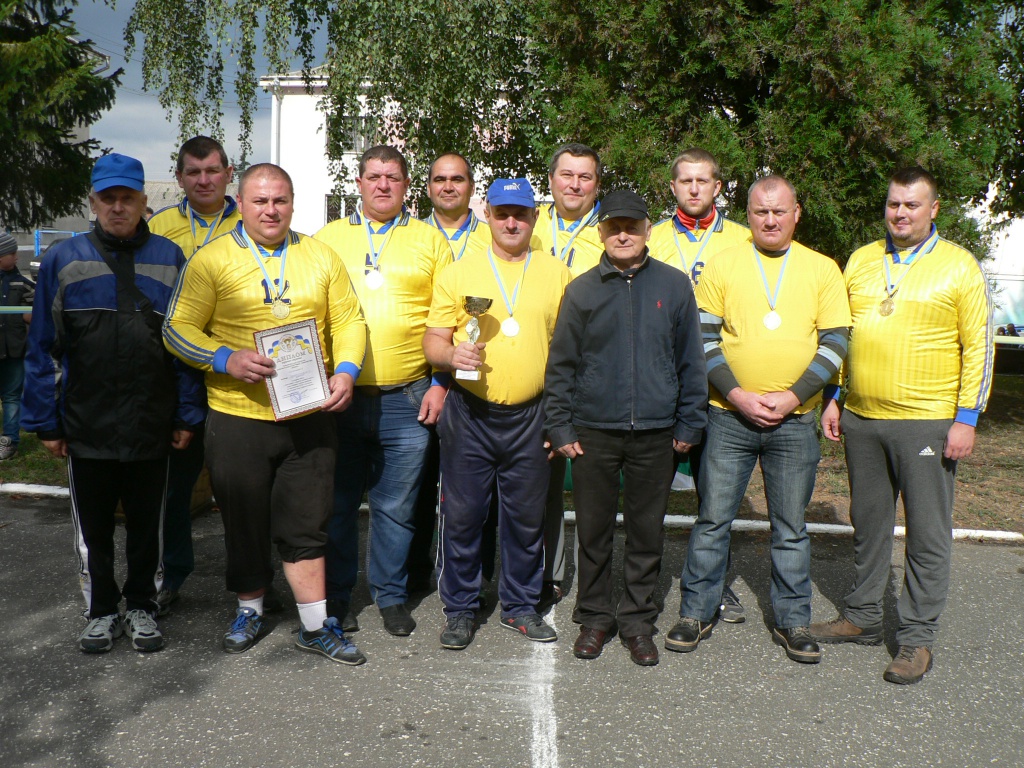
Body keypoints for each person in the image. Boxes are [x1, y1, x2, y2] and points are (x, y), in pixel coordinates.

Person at [164, 163, 368, 664]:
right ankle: (250, 610)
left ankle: (315, 626)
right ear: (242, 202)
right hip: (238, 416)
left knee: (307, 522)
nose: (271, 210)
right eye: (260, 201)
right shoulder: (211, 259)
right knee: (245, 521)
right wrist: (224, 359)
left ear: (292, 203)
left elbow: (349, 320)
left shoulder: (319, 255)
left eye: (280, 200)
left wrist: (346, 371)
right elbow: (176, 327)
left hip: (309, 414)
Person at [811, 167, 994, 685]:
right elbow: (843, 334)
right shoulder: (862, 260)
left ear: (933, 209)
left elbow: (980, 345)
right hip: (863, 418)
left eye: (912, 205)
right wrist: (834, 396)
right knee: (868, 525)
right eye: (893, 203)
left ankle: (916, 638)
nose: (900, 213)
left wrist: (966, 418)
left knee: (926, 533)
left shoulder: (959, 266)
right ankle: (863, 617)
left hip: (927, 422)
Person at [22, 153, 203, 653]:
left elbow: (185, 346)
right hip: (88, 422)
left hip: (152, 421)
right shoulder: (64, 259)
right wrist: (46, 422)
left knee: (149, 527)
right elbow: (43, 346)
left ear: (144, 202)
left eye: (127, 198)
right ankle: (100, 610)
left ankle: (143, 605)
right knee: (94, 531)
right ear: (93, 202)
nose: (118, 207)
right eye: (108, 198)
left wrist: (186, 413)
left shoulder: (170, 258)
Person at [668, 175, 851, 664]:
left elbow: (836, 342)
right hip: (728, 417)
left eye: (778, 211)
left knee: (790, 527)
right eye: (759, 211)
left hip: (795, 421)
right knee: (713, 520)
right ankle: (696, 612)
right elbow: (703, 339)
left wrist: (794, 396)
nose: (769, 220)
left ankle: (793, 621)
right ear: (747, 215)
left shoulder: (822, 268)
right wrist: (736, 394)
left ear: (796, 214)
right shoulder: (723, 264)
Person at [544, 190, 707, 666]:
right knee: (593, 532)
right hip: (593, 430)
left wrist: (689, 421)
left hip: (656, 431)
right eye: (613, 226)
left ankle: (637, 621)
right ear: (600, 232)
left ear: (647, 230)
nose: (622, 234)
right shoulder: (581, 290)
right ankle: (594, 618)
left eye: (631, 227)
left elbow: (691, 360)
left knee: (645, 533)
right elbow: (562, 365)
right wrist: (560, 426)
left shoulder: (674, 286)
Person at [424, 177, 571, 650]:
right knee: (463, 517)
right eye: (502, 213)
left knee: (526, 519)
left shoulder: (557, 273)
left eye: (520, 214)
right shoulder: (458, 272)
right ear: (486, 214)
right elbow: (433, 340)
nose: (511, 222)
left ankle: (521, 606)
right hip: (470, 413)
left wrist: (561, 416)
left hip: (532, 415)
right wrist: (451, 357)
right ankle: (460, 609)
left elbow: (571, 350)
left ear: (534, 217)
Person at [313, 145, 450, 638]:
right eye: (374, 176)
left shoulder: (430, 240)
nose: (383, 185)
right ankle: (338, 595)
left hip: (407, 396)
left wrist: (440, 383)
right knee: (339, 504)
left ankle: (390, 596)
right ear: (359, 182)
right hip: (341, 399)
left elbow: (448, 316)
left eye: (393, 177)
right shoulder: (328, 238)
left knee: (397, 507)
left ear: (407, 185)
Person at [649, 147, 752, 622]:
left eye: (702, 180)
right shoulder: (652, 236)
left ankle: (715, 584)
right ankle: (645, 582)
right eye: (685, 181)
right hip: (662, 381)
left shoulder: (744, 238)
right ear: (673, 186)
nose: (694, 188)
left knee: (716, 499)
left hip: (719, 384)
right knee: (651, 494)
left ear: (717, 187)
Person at [148, 135, 242, 616]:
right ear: (180, 177)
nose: (204, 180)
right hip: (175, 376)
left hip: (239, 376)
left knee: (244, 490)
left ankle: (252, 582)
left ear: (229, 173)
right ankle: (170, 576)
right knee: (173, 489)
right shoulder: (158, 229)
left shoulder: (253, 223)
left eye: (212, 170)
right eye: (193, 172)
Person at [406, 152, 494, 593]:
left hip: (480, 374)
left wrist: (446, 381)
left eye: (457, 179)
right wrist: (436, 379)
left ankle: (479, 573)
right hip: (416, 374)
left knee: (476, 487)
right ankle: (415, 571)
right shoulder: (410, 237)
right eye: (439, 179)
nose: (448, 186)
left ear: (471, 187)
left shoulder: (493, 237)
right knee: (420, 482)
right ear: (427, 187)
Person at [531, 142, 605, 607]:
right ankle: (547, 572)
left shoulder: (610, 230)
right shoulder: (528, 224)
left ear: (596, 184)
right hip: (539, 372)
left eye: (585, 177)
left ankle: (597, 585)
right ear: (552, 180)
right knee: (542, 483)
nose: (575, 185)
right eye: (567, 175)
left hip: (594, 375)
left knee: (595, 487)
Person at [0, 232, 33, 461]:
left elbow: (32, 314)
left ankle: (9, 441)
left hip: (14, 350)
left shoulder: (24, 284)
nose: (16, 257)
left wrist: (30, 313)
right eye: (12, 253)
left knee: (12, 396)